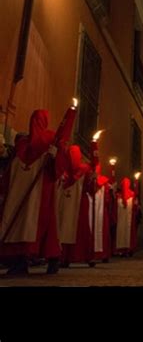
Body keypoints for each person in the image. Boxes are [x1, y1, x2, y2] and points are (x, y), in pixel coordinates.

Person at [0, 105, 76, 275]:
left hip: (38, 190)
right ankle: (33, 261)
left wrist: (55, 154)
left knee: (32, 224)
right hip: (33, 191)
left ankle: (43, 260)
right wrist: (56, 154)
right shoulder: (40, 141)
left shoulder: (31, 143)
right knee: (39, 225)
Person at [115, 177, 138, 257]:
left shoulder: (121, 195)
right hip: (123, 219)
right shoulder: (121, 195)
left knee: (123, 232)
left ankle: (125, 249)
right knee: (124, 232)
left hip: (124, 219)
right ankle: (125, 249)